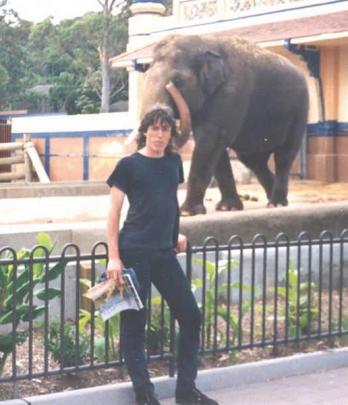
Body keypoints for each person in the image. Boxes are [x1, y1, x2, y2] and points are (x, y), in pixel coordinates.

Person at [106, 106, 219, 405]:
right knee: (135, 325)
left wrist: (174, 235)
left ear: (171, 134)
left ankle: (186, 392)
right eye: (154, 128)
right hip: (133, 252)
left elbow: (169, 201)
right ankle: (145, 395)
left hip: (163, 252)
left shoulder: (173, 162)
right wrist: (114, 258)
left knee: (191, 317)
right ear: (145, 131)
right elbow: (114, 214)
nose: (159, 134)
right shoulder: (128, 166)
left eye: (165, 129)